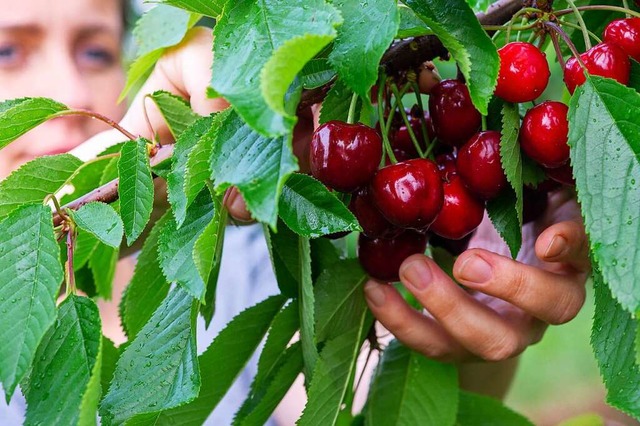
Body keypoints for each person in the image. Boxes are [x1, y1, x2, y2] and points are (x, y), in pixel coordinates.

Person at [0, 0, 590, 424]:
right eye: (7, 49)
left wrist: (474, 315)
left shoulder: (244, 248)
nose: (70, 90)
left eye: (96, 49)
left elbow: (352, 407)